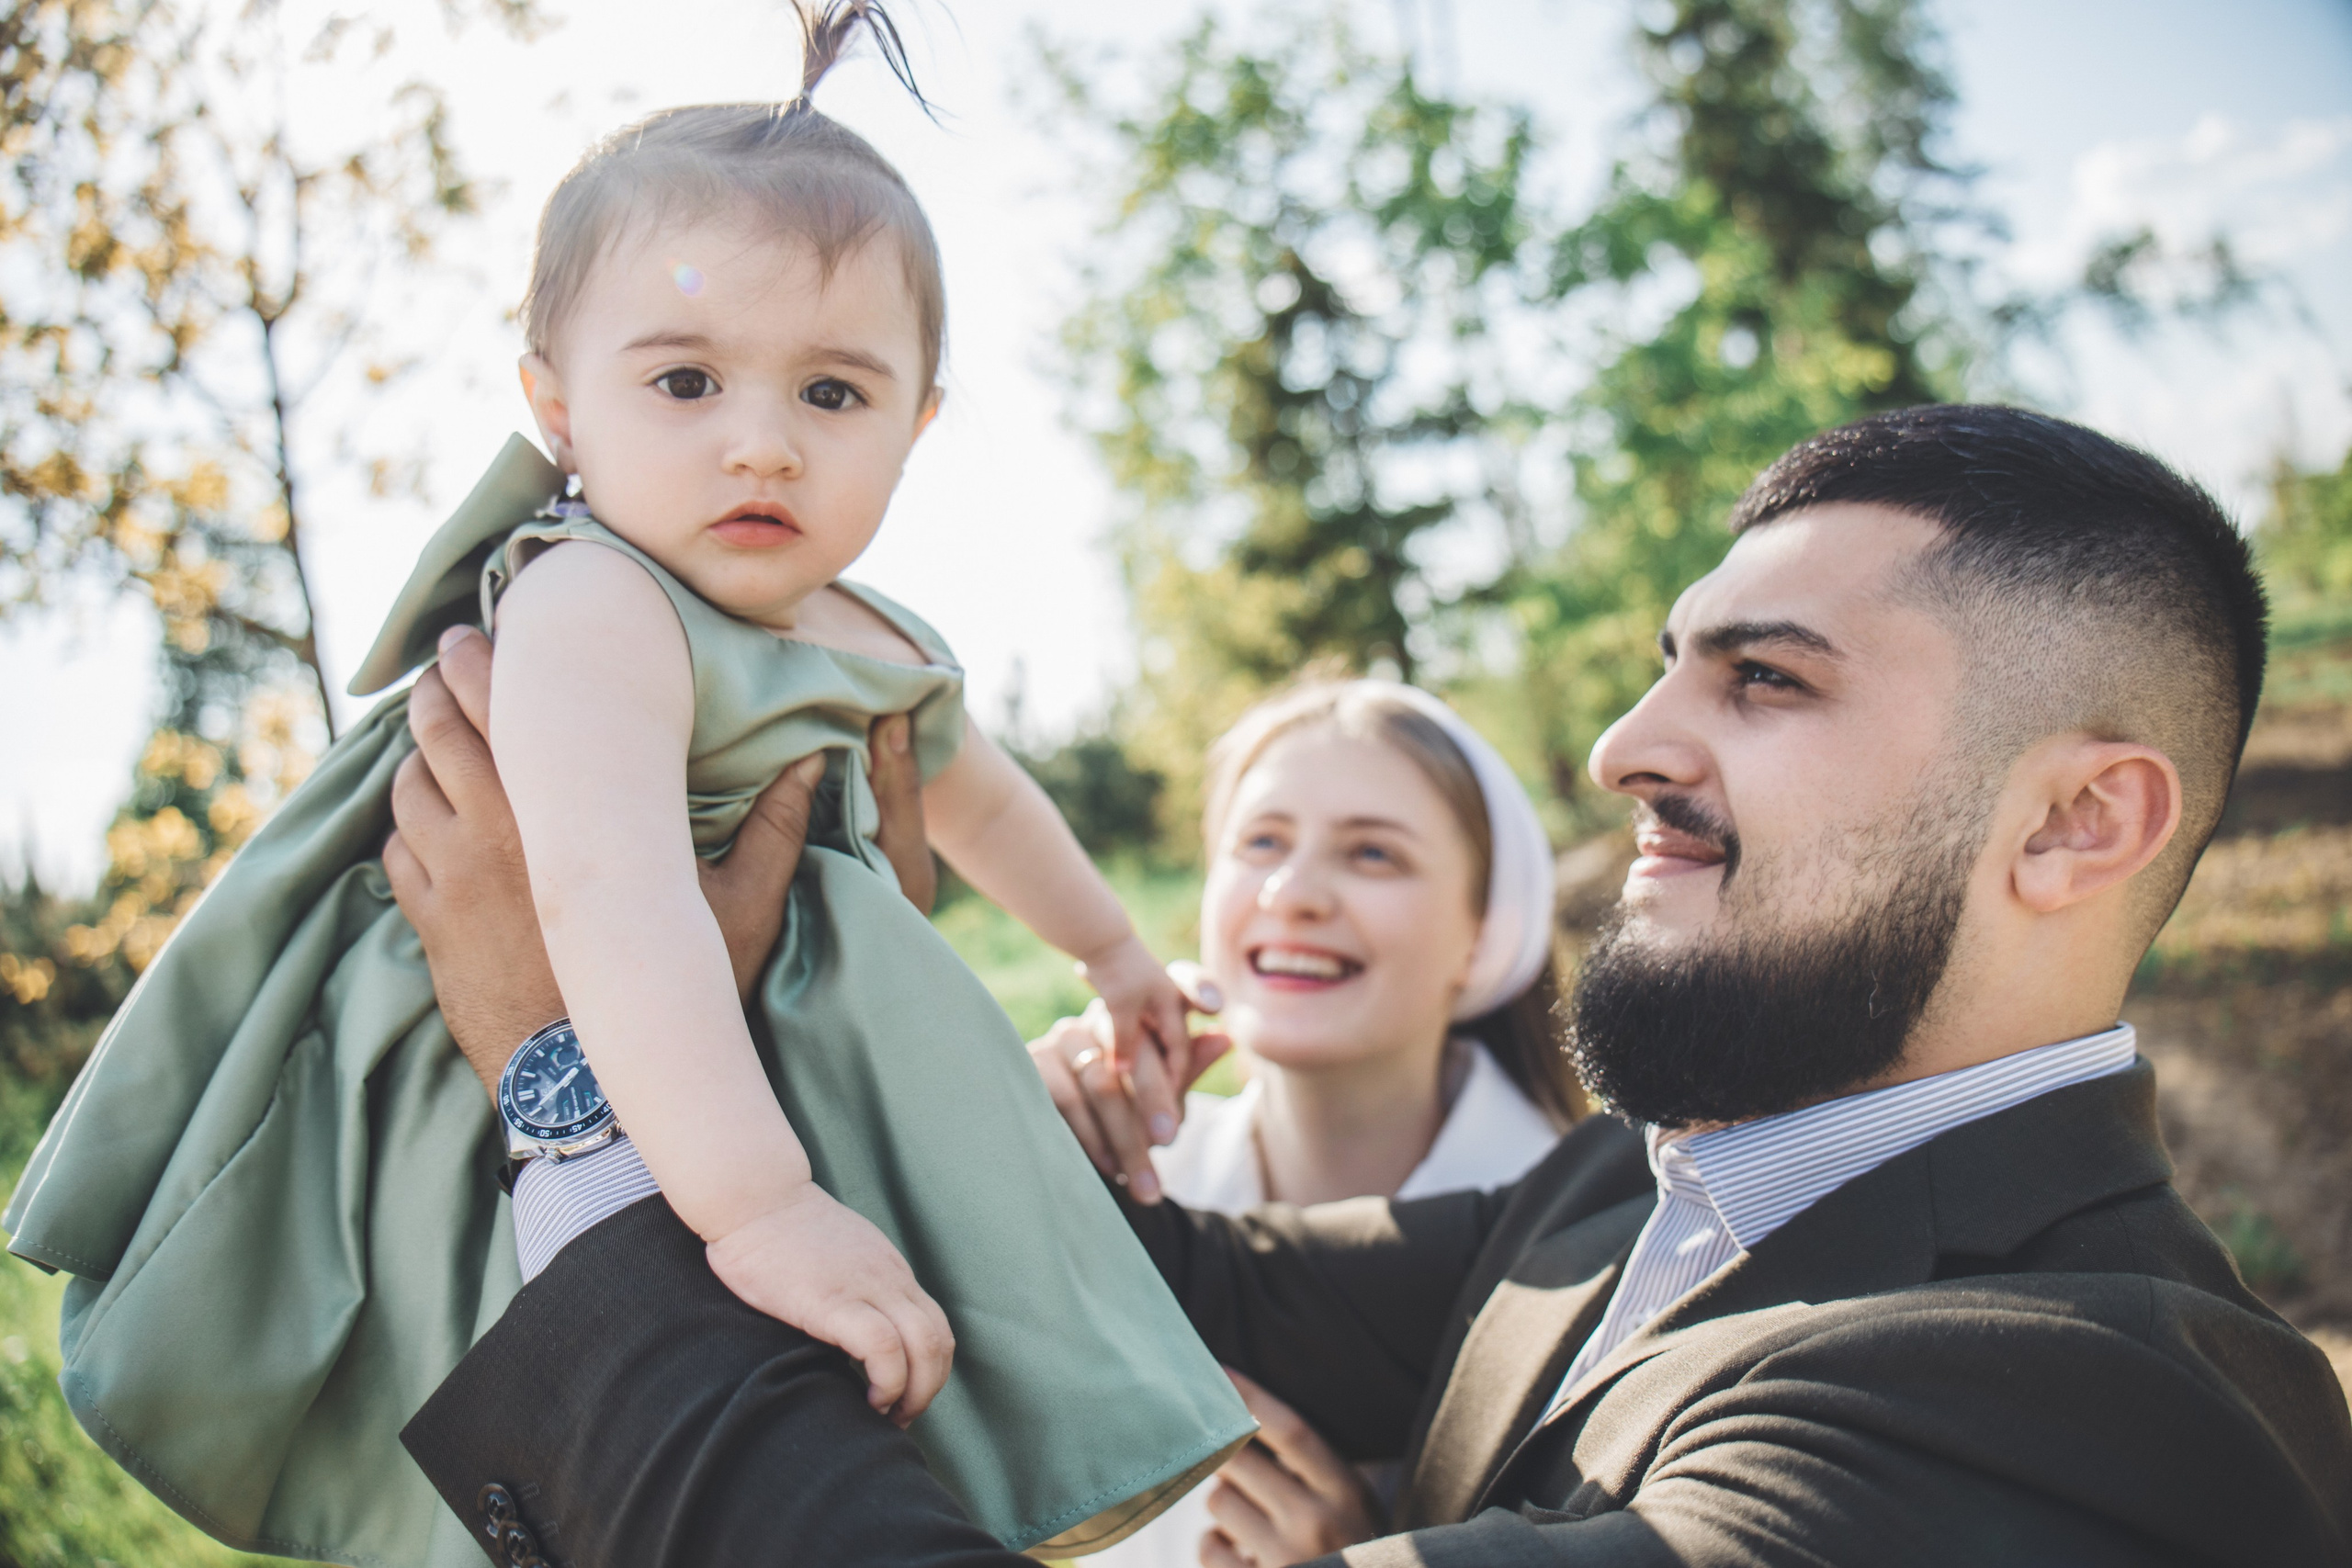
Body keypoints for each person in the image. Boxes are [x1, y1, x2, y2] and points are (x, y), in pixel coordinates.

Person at [392, 404, 2351, 1565]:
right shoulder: (1619, 1195)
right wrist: (811, 987)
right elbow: (1160, 1281)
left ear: (2075, 822)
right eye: (1668, 662)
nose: (1624, 745)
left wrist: (566, 1087)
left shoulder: (2080, 1414)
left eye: (1765, 680)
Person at [0, 7, 1250, 1564]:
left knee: (840, 1363)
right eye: (686, 380)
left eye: (833, 395)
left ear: (919, 421)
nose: (761, 445)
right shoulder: (595, 598)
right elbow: (604, 889)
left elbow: (980, 796)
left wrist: (1114, 952)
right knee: (590, 1370)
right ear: (556, 403)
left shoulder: (871, 634)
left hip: (744, 1070)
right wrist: (760, 1204)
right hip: (552, 1065)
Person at [1034, 680, 1585, 1566]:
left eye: (1372, 852)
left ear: (1487, 930)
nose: (1292, 893)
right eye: (1261, 841)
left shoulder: (1598, 1254)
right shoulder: (1130, 1179)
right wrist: (1018, 1155)